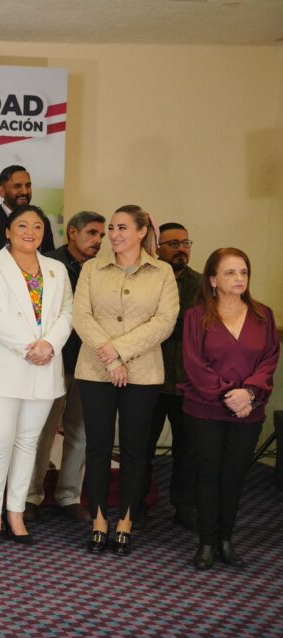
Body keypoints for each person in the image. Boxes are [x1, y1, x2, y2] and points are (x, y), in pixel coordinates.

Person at [73, 205, 177, 555]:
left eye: (122, 228)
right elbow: (81, 316)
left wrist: (118, 351)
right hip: (95, 370)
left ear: (141, 231)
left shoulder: (162, 272)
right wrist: (109, 356)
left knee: (134, 451)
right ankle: (99, 519)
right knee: (98, 448)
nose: (114, 235)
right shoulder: (92, 268)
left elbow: (164, 322)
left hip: (143, 373)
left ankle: (126, 521)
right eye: (112, 228)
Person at [0, 205, 73, 543]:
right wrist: (29, 347)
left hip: (45, 365)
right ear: (8, 231)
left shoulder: (57, 268)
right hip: (4, 364)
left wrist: (49, 345)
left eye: (38, 226)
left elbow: (67, 313)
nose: (31, 232)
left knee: (28, 441)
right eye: (23, 225)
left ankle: (15, 510)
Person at [181, 248, 278, 570]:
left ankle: (226, 539)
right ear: (213, 279)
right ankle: (207, 542)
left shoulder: (263, 315)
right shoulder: (196, 316)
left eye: (244, 272)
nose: (239, 278)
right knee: (208, 473)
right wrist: (228, 394)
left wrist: (248, 393)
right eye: (230, 272)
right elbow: (194, 363)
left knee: (234, 475)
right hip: (205, 406)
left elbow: (269, 359)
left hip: (249, 408)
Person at [0, 164, 56, 471]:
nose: (24, 191)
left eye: (27, 185)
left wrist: (44, 342)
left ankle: (29, 463)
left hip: (40, 333)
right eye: (17, 186)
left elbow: (50, 267)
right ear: (1, 190)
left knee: (27, 433)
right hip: (2, 334)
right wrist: (23, 342)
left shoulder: (43, 226)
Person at [26, 210, 104, 522]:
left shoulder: (101, 270)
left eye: (101, 235)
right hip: (53, 361)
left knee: (80, 432)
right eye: (92, 233)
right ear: (72, 232)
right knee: (43, 432)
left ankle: (69, 495)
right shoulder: (48, 264)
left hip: (90, 362)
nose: (99, 241)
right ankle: (31, 495)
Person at [140, 222, 202, 531]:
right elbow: (144, 325)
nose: (181, 249)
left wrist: (166, 326)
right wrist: (171, 326)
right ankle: (137, 505)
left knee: (187, 450)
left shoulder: (203, 284)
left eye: (185, 243)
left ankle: (184, 506)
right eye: (173, 243)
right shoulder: (146, 281)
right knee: (141, 448)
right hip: (150, 379)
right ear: (157, 248)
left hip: (188, 382)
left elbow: (202, 327)